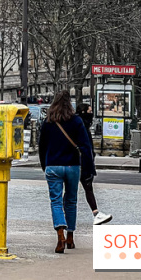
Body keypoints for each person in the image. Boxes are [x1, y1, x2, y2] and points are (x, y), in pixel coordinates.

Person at [38, 90, 94, 253]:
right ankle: (70, 237)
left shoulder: (48, 121)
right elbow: (86, 147)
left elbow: (42, 146)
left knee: (56, 201)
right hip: (72, 166)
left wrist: (45, 166)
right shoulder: (76, 121)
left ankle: (60, 236)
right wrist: (88, 169)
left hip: (53, 165)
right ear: (70, 103)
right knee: (71, 201)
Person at [76, 103, 112, 226]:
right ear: (83, 112)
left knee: (83, 188)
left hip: (81, 161)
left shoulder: (81, 123)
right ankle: (95, 213)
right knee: (86, 187)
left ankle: (95, 213)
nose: (91, 113)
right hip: (82, 162)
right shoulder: (81, 125)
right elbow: (86, 146)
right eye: (90, 111)